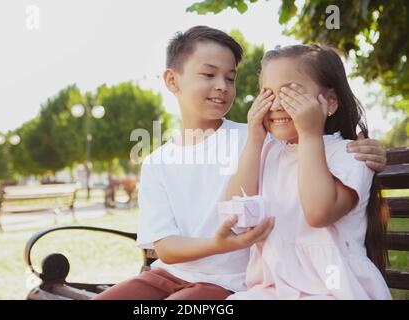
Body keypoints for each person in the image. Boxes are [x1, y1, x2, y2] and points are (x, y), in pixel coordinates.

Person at [92, 27, 387, 300]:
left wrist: (371, 151)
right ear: (172, 80)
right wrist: (222, 243)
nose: (222, 86)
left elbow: (315, 145)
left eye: (230, 78)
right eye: (208, 75)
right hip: (171, 273)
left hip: (233, 282)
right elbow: (166, 249)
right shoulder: (159, 162)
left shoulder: (265, 138)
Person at [226, 44, 391, 300]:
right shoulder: (268, 153)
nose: (277, 104)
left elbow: (318, 213)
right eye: (268, 94)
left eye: (291, 93)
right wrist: (255, 140)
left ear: (331, 102)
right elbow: (234, 216)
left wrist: (310, 133)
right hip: (276, 289)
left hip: (334, 289)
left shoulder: (351, 155)